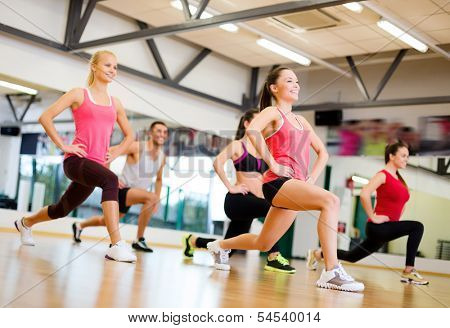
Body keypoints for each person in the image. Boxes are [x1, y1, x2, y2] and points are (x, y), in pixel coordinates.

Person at [206, 67, 364, 292]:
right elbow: (252, 132)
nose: (296, 84)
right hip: (276, 183)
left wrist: (310, 179)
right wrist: (273, 164)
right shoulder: (273, 112)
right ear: (274, 88)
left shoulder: (301, 121)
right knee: (331, 201)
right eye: (289, 81)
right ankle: (332, 270)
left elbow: (323, 153)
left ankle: (220, 246)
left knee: (264, 243)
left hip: (293, 186)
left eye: (297, 81)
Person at [14, 50, 136, 262]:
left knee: (62, 209)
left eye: (115, 67)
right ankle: (116, 245)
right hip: (76, 161)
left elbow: (130, 135)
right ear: (94, 66)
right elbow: (46, 117)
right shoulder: (79, 94)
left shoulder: (115, 103)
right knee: (111, 180)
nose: (112, 70)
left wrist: (115, 151)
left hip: (96, 166)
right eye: (107, 65)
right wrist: (63, 145)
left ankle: (25, 223)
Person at [183, 110, 295, 273]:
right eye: (258, 120)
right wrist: (231, 187)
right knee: (272, 207)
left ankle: (192, 241)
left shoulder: (262, 150)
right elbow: (217, 163)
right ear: (247, 124)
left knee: (230, 246)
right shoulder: (237, 145)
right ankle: (273, 256)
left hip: (253, 202)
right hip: (238, 200)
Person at [307, 141, 429, 285]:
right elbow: (365, 193)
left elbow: (402, 204)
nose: (406, 159)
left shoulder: (400, 180)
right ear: (391, 156)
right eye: (403, 155)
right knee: (417, 226)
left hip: (387, 227)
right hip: (378, 228)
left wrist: (396, 223)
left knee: (352, 256)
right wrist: (373, 216)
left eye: (407, 156)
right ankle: (409, 271)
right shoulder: (383, 175)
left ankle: (317, 253)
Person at [72, 121, 168, 252]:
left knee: (104, 221)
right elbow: (110, 151)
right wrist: (110, 177)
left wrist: (157, 198)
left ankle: (79, 225)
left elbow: (159, 179)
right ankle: (139, 240)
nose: (162, 134)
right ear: (150, 133)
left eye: (165, 132)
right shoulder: (137, 147)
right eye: (159, 131)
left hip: (134, 194)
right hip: (122, 190)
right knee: (150, 198)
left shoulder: (162, 157)